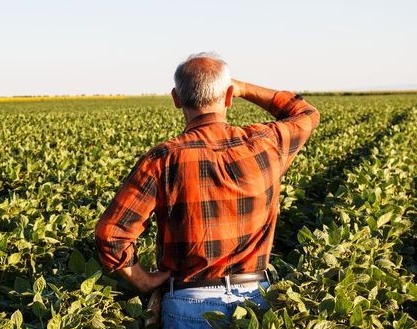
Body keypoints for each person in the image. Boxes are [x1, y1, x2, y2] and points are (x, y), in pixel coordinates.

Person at [94, 52, 320, 328]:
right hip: (254, 302)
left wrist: (144, 280)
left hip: (188, 303)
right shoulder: (265, 143)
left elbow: (111, 233)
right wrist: (244, 88)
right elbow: (306, 113)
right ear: (228, 98)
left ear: (177, 99)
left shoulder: (163, 158)